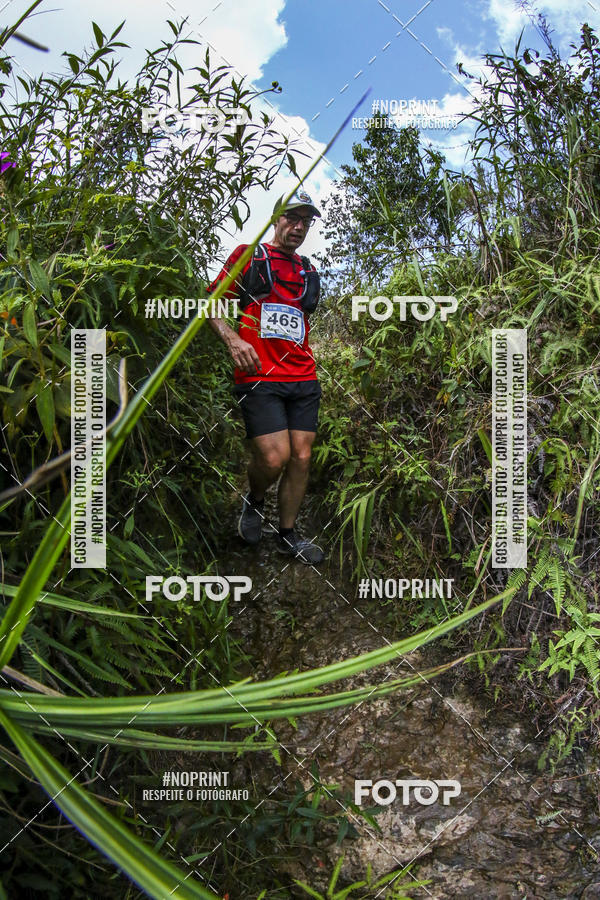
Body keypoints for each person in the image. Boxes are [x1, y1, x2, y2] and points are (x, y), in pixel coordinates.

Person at [207, 189, 325, 565]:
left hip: (302, 377)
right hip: (259, 376)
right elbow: (210, 303)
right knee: (275, 458)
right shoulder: (249, 256)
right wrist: (233, 339)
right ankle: (255, 500)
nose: (299, 226)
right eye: (292, 217)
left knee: (301, 457)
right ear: (276, 219)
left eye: (306, 221)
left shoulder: (308, 270)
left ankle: (287, 536)